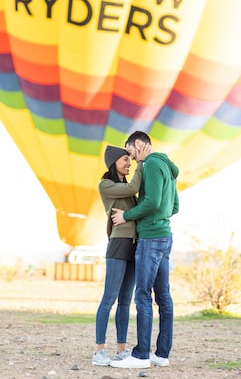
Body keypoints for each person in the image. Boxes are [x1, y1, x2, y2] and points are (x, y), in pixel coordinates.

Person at [109, 131, 179, 370]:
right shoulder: (168, 167)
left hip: (150, 239)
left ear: (139, 145)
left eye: (130, 151)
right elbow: (174, 206)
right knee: (164, 297)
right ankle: (161, 354)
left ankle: (140, 355)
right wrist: (160, 218)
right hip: (165, 236)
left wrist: (126, 215)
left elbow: (152, 203)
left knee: (143, 295)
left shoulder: (149, 165)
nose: (130, 158)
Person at [92, 143, 150, 366]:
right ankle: (99, 351)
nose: (129, 162)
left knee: (125, 302)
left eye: (130, 159)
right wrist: (142, 162)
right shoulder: (106, 185)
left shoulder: (126, 188)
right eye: (125, 159)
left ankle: (121, 350)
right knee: (109, 298)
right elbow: (132, 187)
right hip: (118, 244)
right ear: (113, 162)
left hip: (134, 245)